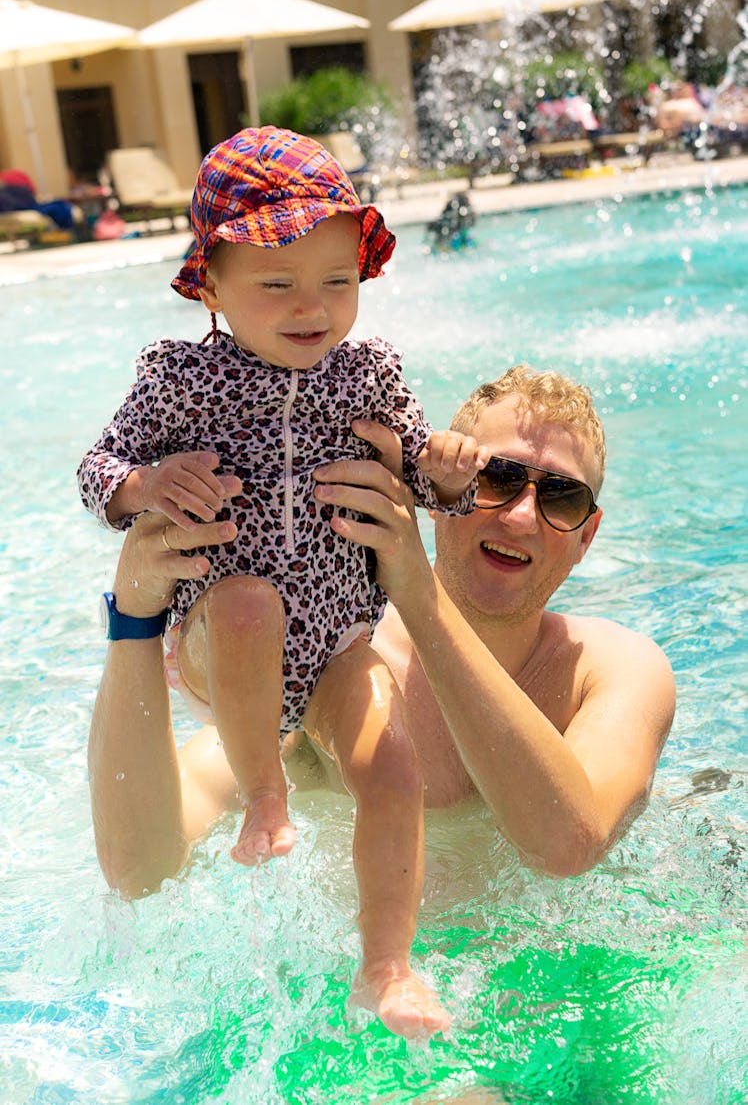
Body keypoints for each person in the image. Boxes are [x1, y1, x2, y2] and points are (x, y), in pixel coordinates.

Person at [86, 365, 675, 1036]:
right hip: (390, 1026)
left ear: (586, 539)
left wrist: (417, 594)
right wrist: (134, 618)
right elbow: (140, 872)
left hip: (580, 1001)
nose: (520, 516)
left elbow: (565, 846)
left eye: (561, 499)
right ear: (439, 492)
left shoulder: (615, 670)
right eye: (496, 479)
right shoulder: (343, 682)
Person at [80, 126, 486, 1039]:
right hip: (225, 629)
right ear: (212, 286)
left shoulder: (370, 372)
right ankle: (267, 794)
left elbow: (420, 474)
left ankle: (388, 966)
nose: (313, 307)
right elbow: (97, 467)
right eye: (277, 284)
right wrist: (143, 486)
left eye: (336, 281)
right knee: (251, 601)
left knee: (394, 767)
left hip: (340, 631)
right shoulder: (182, 381)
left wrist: (450, 474)